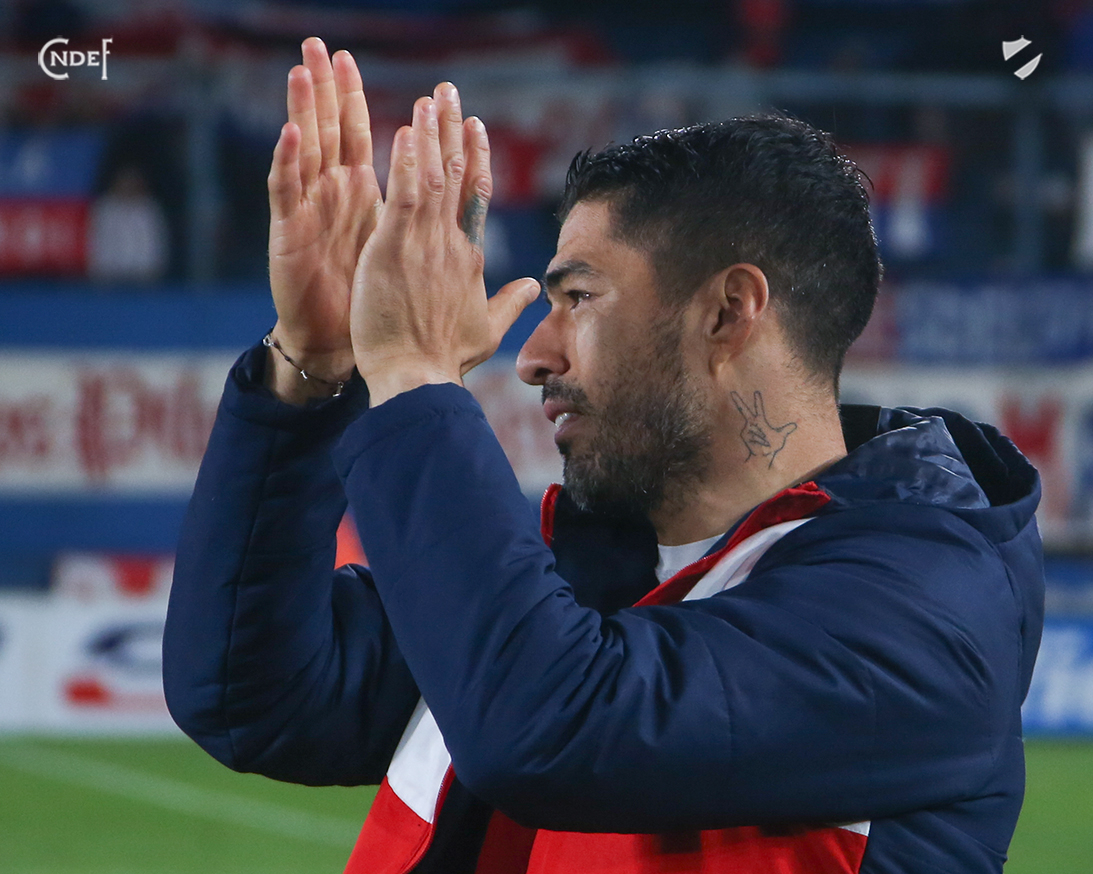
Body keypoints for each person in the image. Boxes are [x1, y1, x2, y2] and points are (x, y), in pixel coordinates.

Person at [162, 37, 1044, 874]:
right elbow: (254, 697)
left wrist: (416, 377)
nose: (534, 355)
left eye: (578, 298)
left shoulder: (924, 614)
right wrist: (314, 369)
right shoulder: (584, 569)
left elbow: (553, 729)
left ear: (728, 313)